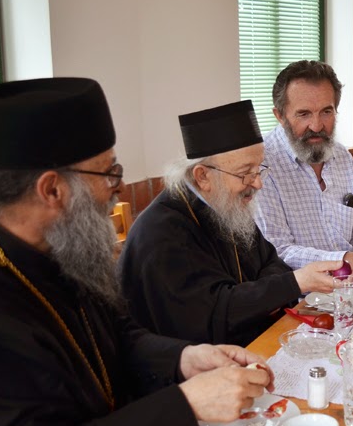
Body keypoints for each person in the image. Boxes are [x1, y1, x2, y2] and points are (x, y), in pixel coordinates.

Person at [0, 78, 275, 426]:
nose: (117, 188)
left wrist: (184, 358)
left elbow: (115, 334)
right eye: (109, 173)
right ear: (52, 190)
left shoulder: (56, 246)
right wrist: (186, 404)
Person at [118, 99, 339, 347]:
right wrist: (287, 286)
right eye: (245, 173)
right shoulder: (162, 234)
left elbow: (272, 262)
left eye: (258, 169)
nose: (258, 183)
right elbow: (209, 315)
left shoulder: (226, 207)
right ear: (202, 176)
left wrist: (263, 296)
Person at [254, 60, 353, 275]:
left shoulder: (342, 156)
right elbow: (278, 252)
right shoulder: (260, 163)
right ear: (280, 116)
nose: (317, 125)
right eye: (304, 114)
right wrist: (349, 260)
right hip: (301, 292)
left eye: (326, 112)